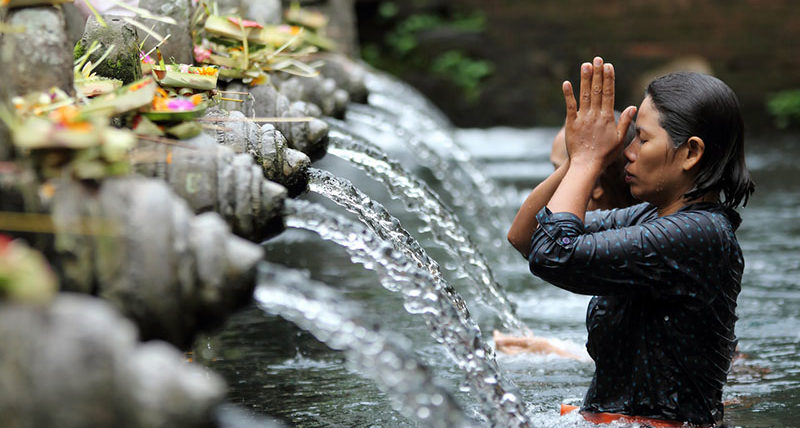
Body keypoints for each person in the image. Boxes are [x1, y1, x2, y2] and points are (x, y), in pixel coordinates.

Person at [507, 56, 754, 425]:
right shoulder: (648, 216)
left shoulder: (699, 234)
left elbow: (553, 254)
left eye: (642, 138)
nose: (628, 151)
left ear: (691, 153)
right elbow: (527, 237)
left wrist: (589, 160)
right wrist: (575, 160)